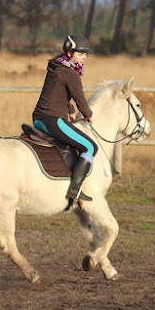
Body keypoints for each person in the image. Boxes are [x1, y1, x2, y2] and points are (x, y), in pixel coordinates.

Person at [32, 34, 98, 203]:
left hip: (39, 118)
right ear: (69, 53)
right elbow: (80, 98)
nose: (84, 57)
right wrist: (88, 114)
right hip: (52, 119)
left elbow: (56, 92)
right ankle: (74, 190)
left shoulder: (57, 67)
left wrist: (70, 109)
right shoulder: (70, 73)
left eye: (85, 54)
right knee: (90, 147)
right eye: (80, 54)